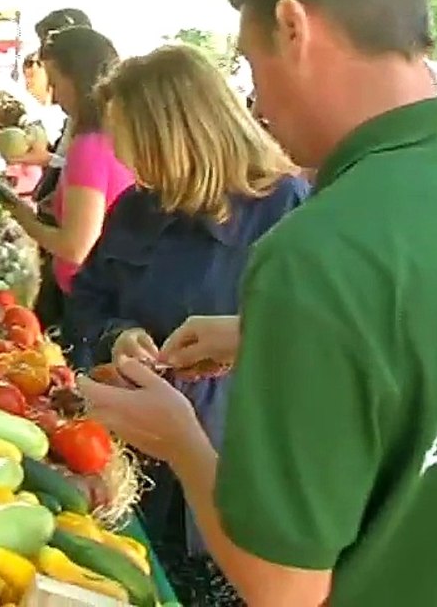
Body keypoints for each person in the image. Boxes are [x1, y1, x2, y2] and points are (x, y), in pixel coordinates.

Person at [80, 0, 437, 607]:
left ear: (293, 26)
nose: (256, 102)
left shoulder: (318, 249)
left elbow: (285, 589)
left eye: (252, 65)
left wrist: (182, 443)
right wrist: (267, 335)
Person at [70, 45, 308, 605]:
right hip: (134, 463)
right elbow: (87, 299)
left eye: (132, 139)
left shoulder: (286, 209)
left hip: (231, 474)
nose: (125, 157)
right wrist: (117, 334)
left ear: (173, 132)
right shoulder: (135, 207)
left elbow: (314, 348)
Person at [0, 26, 133, 340]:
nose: (54, 97)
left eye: (56, 84)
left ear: (80, 79)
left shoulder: (89, 146)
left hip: (86, 300)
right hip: (110, 291)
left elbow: (74, 247)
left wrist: (19, 211)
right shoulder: (116, 136)